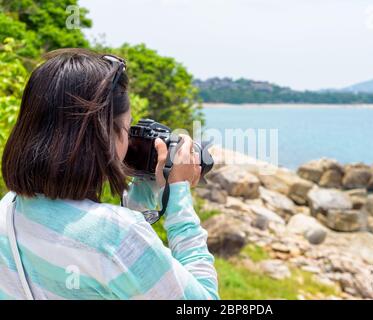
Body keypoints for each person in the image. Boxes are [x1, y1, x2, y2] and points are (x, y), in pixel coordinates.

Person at [0, 48, 218, 300]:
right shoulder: (117, 236)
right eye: (126, 129)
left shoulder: (8, 209)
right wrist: (178, 195)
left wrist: (140, 199)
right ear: (106, 136)